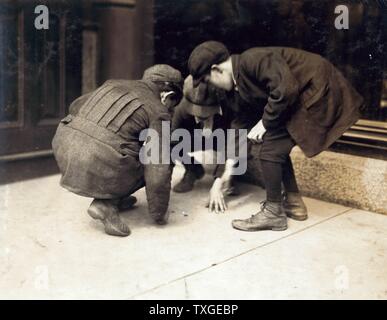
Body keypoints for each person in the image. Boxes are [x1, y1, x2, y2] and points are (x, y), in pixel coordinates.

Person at [188, 41, 364, 231]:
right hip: (300, 95)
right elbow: (239, 125)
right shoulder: (237, 86)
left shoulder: (253, 59)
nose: (212, 87)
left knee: (270, 149)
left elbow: (286, 88)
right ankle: (294, 203)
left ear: (217, 70)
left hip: (318, 90)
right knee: (275, 148)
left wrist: (264, 123)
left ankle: (274, 212)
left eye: (207, 80)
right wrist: (226, 172)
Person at [52, 64, 183, 237]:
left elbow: (75, 106)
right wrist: (159, 213)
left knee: (126, 146)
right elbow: (158, 170)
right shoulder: (159, 111)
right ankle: (106, 204)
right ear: (167, 94)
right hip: (96, 158)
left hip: (63, 145)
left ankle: (115, 194)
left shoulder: (113, 83)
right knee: (152, 158)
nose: (171, 111)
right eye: (172, 105)